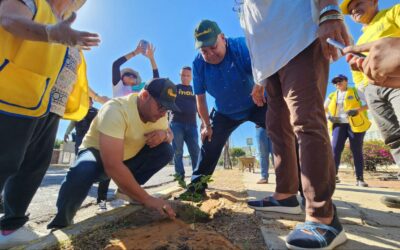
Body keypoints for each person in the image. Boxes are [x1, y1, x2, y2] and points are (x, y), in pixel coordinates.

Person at [241, 1, 350, 249]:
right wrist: (259, 77)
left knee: (306, 121)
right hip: (269, 65)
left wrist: (329, 10)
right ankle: (286, 196)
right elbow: (254, 33)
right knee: (277, 130)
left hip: (299, 39)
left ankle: (323, 215)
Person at [0, 0, 101, 247]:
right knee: (4, 160)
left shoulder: (66, 26)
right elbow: (9, 19)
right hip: (12, 96)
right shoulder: (33, 3)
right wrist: (49, 33)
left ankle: (10, 228)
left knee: (34, 166)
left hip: (50, 107)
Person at [48, 78, 178, 230]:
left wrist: (164, 135)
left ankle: (126, 192)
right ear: (144, 96)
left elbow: (170, 134)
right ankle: (62, 222)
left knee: (165, 151)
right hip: (98, 155)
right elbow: (112, 165)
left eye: (167, 109)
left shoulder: (160, 117)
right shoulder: (116, 109)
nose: (163, 114)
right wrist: (147, 199)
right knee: (83, 170)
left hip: (126, 158)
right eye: (161, 107)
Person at [178, 20, 267, 200]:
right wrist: (206, 124)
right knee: (209, 142)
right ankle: (196, 189)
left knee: (284, 133)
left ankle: (300, 189)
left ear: (223, 38)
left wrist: (260, 84)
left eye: (213, 46)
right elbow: (200, 98)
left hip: (255, 101)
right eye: (204, 51)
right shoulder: (198, 65)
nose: (210, 54)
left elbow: (264, 66)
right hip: (224, 112)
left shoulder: (241, 46)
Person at [340, 0, 400, 212]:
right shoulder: (360, 39)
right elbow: (359, 73)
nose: (354, 9)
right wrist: (365, 90)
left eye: (359, 2)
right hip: (372, 89)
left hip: (396, 79)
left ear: (374, 1)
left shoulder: (394, 12)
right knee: (393, 137)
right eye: (350, 8)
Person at [64, 97, 112, 213]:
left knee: (105, 172)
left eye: (88, 101)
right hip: (81, 144)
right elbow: (72, 123)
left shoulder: (97, 112)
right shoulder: (78, 112)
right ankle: (70, 209)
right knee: (79, 171)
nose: (86, 102)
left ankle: (102, 204)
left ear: (91, 102)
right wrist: (66, 133)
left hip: (96, 144)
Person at [325, 74, 370, 186]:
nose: (337, 83)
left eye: (340, 80)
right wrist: (329, 117)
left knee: (356, 150)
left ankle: (360, 179)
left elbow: (370, 104)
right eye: (335, 82)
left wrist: (358, 110)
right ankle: (333, 176)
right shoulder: (331, 95)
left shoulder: (356, 91)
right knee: (335, 150)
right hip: (338, 124)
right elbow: (324, 109)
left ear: (346, 81)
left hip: (355, 124)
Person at [169, 66, 200, 181]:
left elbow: (199, 106)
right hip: (176, 124)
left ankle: (197, 179)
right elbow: (167, 104)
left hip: (192, 125)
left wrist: (204, 123)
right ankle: (180, 178)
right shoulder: (174, 88)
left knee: (195, 152)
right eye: (183, 75)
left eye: (188, 75)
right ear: (180, 75)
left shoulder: (195, 89)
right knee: (178, 152)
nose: (185, 77)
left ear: (191, 77)